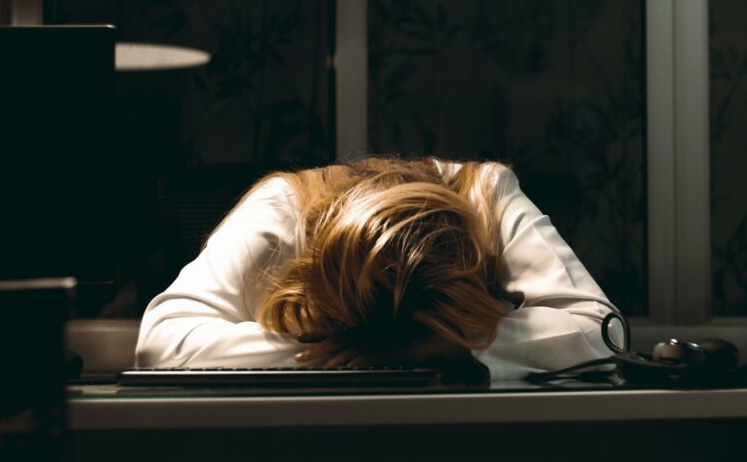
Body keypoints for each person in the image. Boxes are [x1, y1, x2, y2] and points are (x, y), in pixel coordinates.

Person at [135, 156, 619, 380]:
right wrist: (336, 354)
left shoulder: (486, 194)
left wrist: (450, 346)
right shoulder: (282, 209)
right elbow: (161, 343)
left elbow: (603, 333)